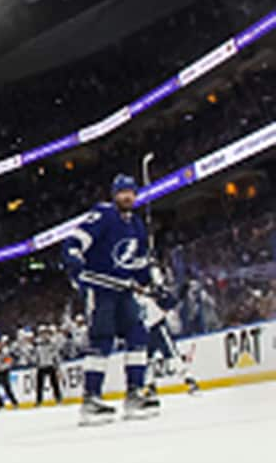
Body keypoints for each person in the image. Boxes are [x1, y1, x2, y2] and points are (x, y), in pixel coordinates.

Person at [61, 174, 157, 425]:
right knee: (102, 341)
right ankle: (91, 399)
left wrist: (151, 282)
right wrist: (73, 256)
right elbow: (74, 241)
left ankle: (134, 393)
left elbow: (139, 262)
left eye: (131, 192)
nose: (128, 196)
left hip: (124, 290)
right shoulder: (103, 215)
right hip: (99, 288)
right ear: (114, 195)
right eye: (123, 192)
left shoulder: (136, 225)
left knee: (137, 336)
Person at [141, 263, 200, 397]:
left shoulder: (153, 290)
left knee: (169, 355)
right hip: (147, 326)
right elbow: (168, 302)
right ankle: (150, 386)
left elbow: (167, 302)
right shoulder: (147, 289)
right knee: (148, 358)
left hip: (155, 326)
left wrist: (179, 293)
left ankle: (189, 380)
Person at [32, 324, 64, 406]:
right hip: (41, 366)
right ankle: (39, 401)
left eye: (45, 332)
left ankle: (58, 398)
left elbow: (55, 355)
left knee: (54, 383)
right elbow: (36, 355)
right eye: (42, 333)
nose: (43, 335)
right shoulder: (37, 344)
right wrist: (36, 363)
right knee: (39, 385)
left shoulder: (52, 343)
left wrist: (57, 366)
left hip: (50, 365)